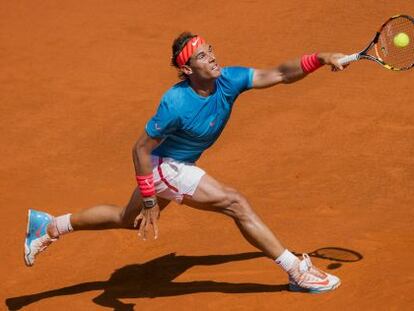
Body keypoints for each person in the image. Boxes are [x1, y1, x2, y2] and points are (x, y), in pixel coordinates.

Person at [25, 32, 347, 293]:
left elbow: (278, 73)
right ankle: (295, 270)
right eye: (203, 56)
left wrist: (319, 59)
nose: (212, 57)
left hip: (175, 165)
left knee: (126, 218)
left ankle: (51, 225)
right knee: (236, 203)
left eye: (211, 50)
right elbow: (140, 150)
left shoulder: (228, 81)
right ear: (189, 70)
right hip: (165, 166)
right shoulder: (175, 103)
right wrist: (150, 197)